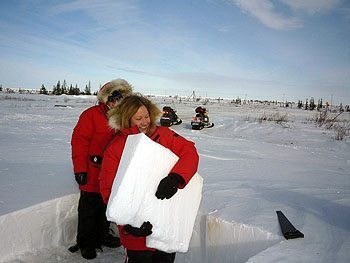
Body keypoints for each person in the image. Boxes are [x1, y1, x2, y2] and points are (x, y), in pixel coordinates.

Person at [100, 95, 199, 263]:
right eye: (138, 118)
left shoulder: (163, 135)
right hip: (136, 231)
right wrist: (128, 224)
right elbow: (108, 190)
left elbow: (189, 152)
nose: (145, 122)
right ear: (126, 119)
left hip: (165, 224)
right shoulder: (116, 148)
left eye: (146, 116)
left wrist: (176, 178)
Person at [70, 79, 133, 259]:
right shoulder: (90, 115)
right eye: (114, 98)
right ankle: (86, 242)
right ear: (107, 99)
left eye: (122, 99)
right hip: (92, 171)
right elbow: (79, 142)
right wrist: (80, 169)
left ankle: (103, 235)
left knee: (107, 207)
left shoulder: (124, 118)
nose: (117, 103)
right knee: (89, 208)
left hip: (113, 173)